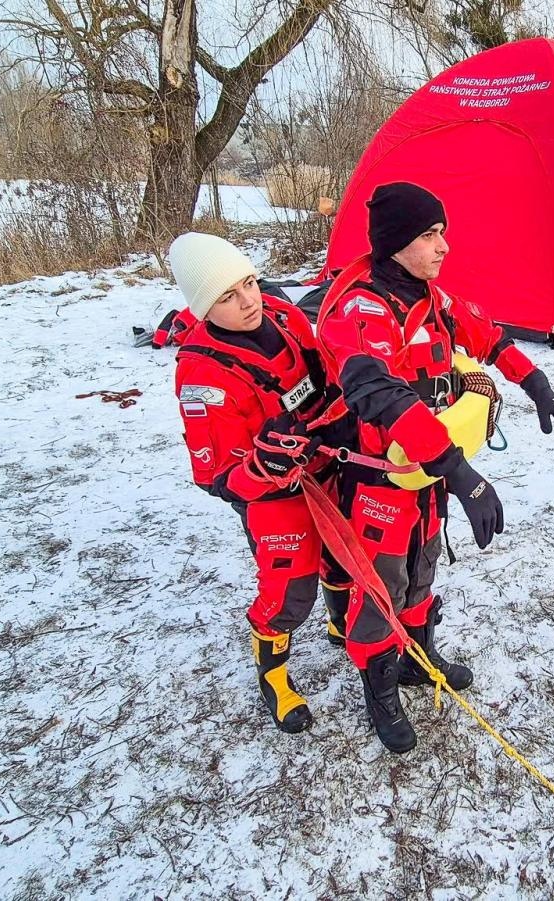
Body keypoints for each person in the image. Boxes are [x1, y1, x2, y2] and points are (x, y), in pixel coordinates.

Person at [317, 181, 554, 753]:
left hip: (426, 470)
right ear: (397, 242)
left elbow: (490, 338)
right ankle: (378, 687)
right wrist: (458, 471)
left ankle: (417, 655)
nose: (444, 247)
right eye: (431, 235)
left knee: (422, 564)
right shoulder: (361, 309)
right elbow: (379, 392)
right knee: (382, 583)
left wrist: (537, 383)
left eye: (442, 233)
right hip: (380, 475)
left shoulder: (431, 298)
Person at [168, 232, 340, 736]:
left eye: (249, 283)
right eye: (227, 296)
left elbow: (325, 370)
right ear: (202, 307)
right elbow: (217, 477)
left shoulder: (284, 316)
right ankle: (274, 677)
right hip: (273, 494)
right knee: (287, 591)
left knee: (342, 555)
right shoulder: (202, 376)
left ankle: (339, 622)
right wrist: (265, 463)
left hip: (326, 461)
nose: (249, 302)